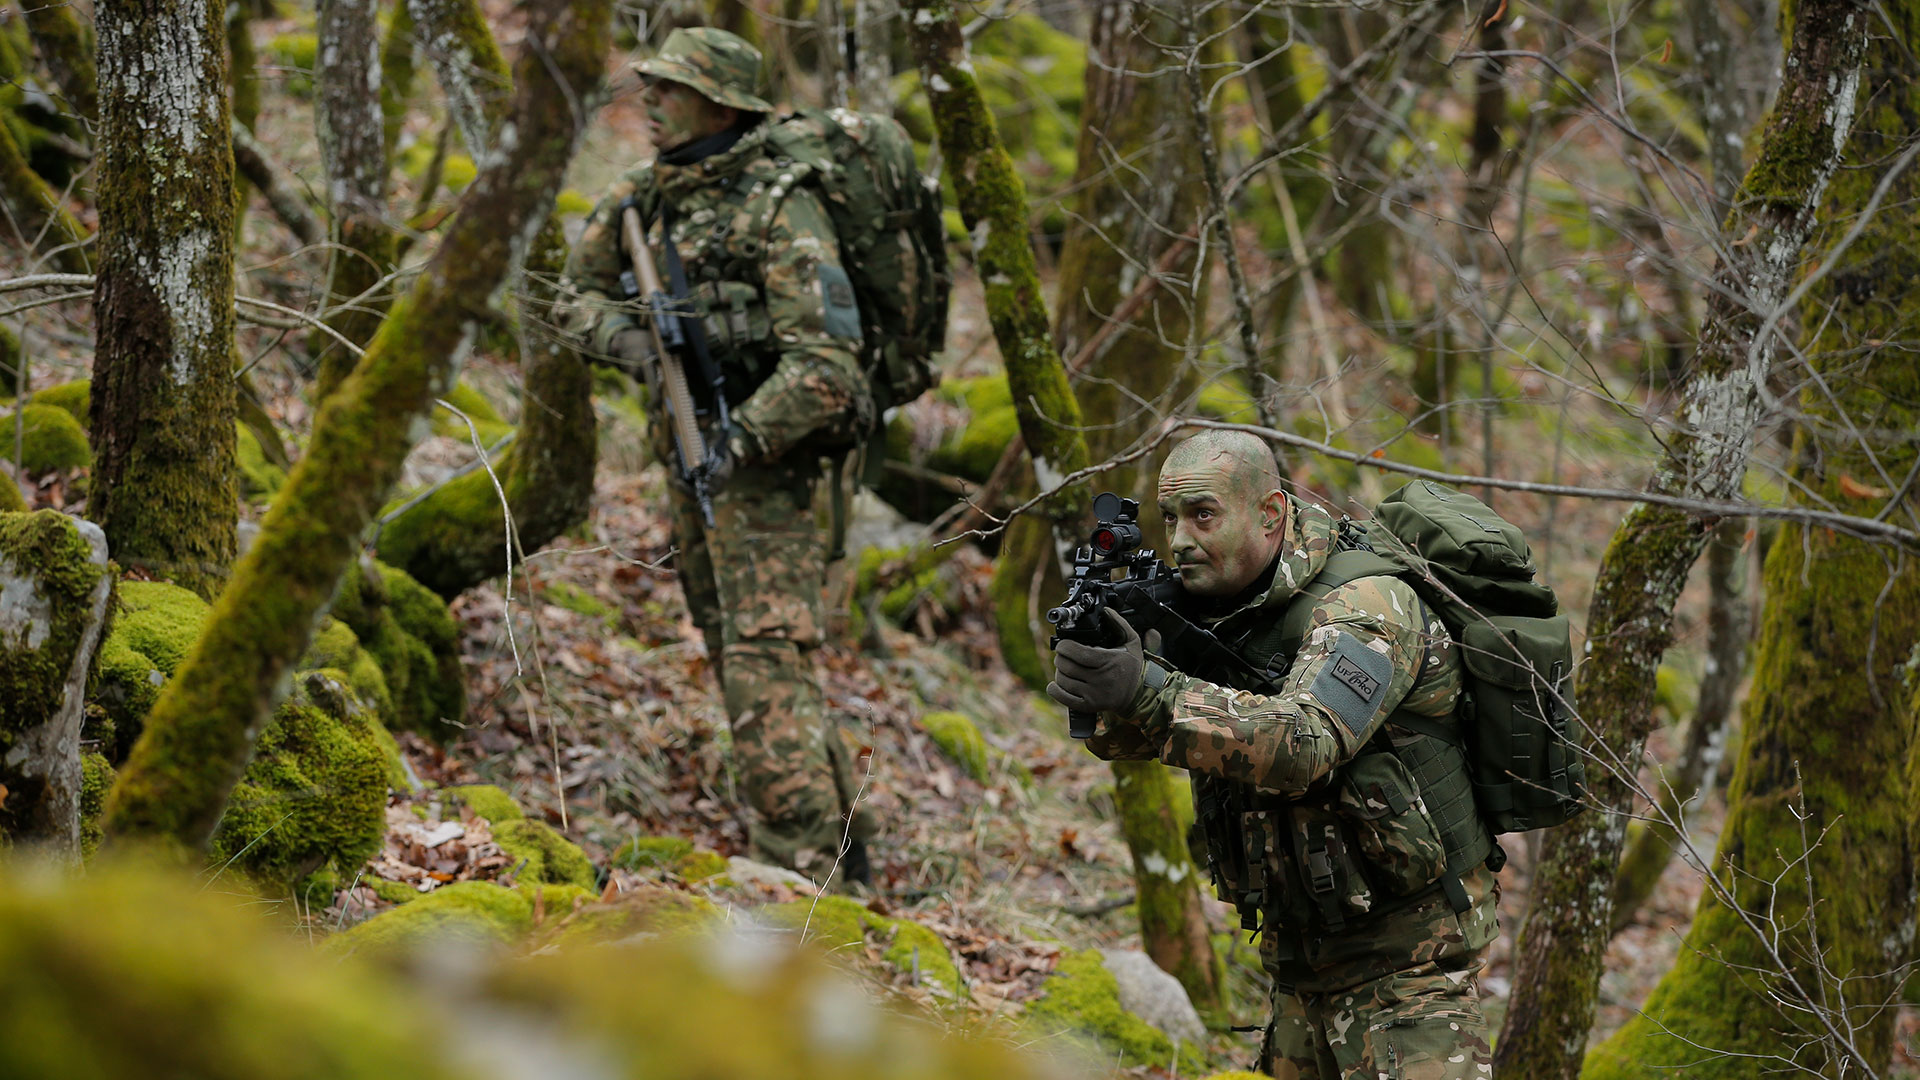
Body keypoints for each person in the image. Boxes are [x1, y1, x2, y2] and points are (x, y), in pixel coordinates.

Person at [1047, 429, 1498, 1079]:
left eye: (1203, 515)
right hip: (1297, 975)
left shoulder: (1366, 606)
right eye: (1169, 518)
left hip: (1411, 974)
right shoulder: (1218, 608)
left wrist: (1148, 688)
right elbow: (1134, 738)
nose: (1178, 540)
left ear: (1271, 514)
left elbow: (1303, 745)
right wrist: (1100, 683)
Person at [562, 26, 874, 885]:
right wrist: (630, 342)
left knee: (765, 666)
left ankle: (801, 879)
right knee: (746, 660)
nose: (652, 103)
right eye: (653, 87)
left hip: (768, 475)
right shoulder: (646, 197)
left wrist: (741, 439)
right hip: (693, 465)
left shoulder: (782, 208)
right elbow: (570, 295)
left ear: (722, 105)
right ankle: (849, 855)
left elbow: (828, 368)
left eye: (673, 89)